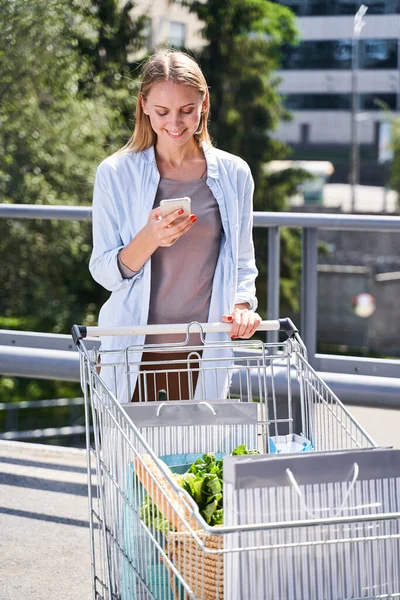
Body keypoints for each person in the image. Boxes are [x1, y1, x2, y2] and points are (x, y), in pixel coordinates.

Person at [89, 48, 260, 403]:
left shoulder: (234, 174)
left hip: (203, 356)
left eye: (186, 110)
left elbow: (242, 262)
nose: (175, 123)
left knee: (198, 458)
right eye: (163, 111)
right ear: (144, 105)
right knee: (130, 461)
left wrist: (243, 307)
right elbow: (103, 270)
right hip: (130, 352)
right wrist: (149, 238)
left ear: (204, 103)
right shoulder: (116, 173)